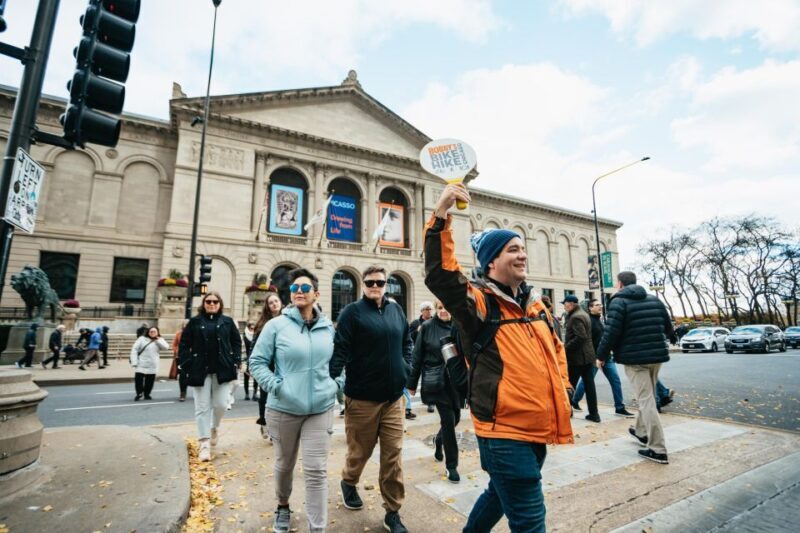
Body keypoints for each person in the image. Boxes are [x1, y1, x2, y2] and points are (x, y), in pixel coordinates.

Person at [424, 184, 573, 533]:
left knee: (498, 494)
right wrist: (442, 214)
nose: (522, 255)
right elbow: (441, 276)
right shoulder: (478, 303)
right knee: (530, 520)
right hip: (503, 429)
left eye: (522, 248)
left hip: (537, 427)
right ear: (491, 261)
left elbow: (557, 351)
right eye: (512, 250)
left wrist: (564, 389)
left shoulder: (536, 304)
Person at [249, 268, 339, 533]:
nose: (299, 292)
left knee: (316, 470)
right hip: (283, 408)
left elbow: (340, 362)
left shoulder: (328, 327)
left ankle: (317, 528)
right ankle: (283, 506)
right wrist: (277, 386)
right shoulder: (276, 326)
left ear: (316, 294)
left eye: (305, 288)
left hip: (320, 408)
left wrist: (337, 385)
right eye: (294, 288)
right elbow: (256, 362)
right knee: (284, 465)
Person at [330, 265, 413, 533]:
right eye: (370, 282)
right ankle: (349, 480)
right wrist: (330, 380)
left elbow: (407, 342)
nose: (375, 286)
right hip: (362, 399)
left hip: (393, 399)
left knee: (393, 456)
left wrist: (407, 367)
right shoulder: (351, 313)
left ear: (386, 284)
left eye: (379, 282)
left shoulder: (396, 310)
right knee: (360, 452)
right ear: (363, 285)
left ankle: (393, 511)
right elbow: (340, 349)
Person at [596, 271, 675, 465]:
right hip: (656, 357)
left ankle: (658, 449)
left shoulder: (618, 302)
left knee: (646, 400)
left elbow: (611, 332)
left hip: (634, 358)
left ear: (620, 284)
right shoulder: (654, 300)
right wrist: (669, 338)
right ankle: (641, 431)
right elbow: (668, 326)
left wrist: (601, 355)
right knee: (647, 396)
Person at [178, 291, 242, 462]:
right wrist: (186, 363)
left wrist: (236, 360)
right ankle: (204, 443)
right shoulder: (195, 322)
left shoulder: (227, 322)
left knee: (221, 404)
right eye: (208, 301)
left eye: (215, 301)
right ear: (204, 304)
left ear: (220, 304)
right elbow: (184, 344)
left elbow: (236, 342)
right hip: (200, 370)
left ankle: (214, 426)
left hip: (223, 369)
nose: (212, 304)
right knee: (202, 407)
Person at [407, 299, 462, 483]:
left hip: (456, 382)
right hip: (437, 381)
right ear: (436, 309)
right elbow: (417, 356)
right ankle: (452, 466)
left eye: (447, 307)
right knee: (448, 420)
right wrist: (412, 383)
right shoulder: (427, 327)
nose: (444, 310)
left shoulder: (459, 325)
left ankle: (439, 440)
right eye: (440, 307)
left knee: (456, 418)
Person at [572, 299, 635, 418]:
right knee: (587, 381)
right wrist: (594, 357)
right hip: (594, 358)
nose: (600, 306)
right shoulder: (588, 321)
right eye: (597, 305)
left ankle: (619, 408)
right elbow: (587, 341)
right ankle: (575, 401)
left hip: (606, 357)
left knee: (615, 380)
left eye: (600, 304)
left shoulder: (600, 320)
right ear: (590, 308)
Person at [562, 295, 600, 423]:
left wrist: (565, 348)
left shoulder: (575, 317)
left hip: (577, 358)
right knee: (590, 386)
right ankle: (594, 414)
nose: (564, 306)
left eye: (565, 304)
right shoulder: (583, 314)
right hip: (588, 356)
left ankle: (568, 412)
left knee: (570, 385)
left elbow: (581, 337)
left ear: (571, 304)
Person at [253, 291, 284, 437]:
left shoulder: (288, 320)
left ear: (281, 303)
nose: (274, 304)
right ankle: (264, 422)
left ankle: (276, 427)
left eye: (276, 301)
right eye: (271, 302)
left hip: (283, 364)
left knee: (281, 396)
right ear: (267, 306)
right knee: (265, 395)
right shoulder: (262, 324)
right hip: (267, 365)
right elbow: (255, 346)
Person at [409, 300, 436, 414]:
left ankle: (431, 402)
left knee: (430, 378)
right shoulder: (415, 323)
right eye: (426, 309)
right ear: (422, 311)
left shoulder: (435, 322)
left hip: (431, 354)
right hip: (418, 353)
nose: (429, 311)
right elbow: (409, 336)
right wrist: (417, 331)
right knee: (417, 375)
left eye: (430, 309)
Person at [130, 326, 169, 401]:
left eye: (154, 332)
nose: (152, 333)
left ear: (157, 332)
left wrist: (158, 340)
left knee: (150, 381)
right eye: (151, 331)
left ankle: (147, 394)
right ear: (148, 332)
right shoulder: (142, 339)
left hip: (152, 364)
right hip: (141, 363)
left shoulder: (160, 339)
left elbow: (166, 348)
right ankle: (139, 393)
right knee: (138, 379)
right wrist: (134, 362)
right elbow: (134, 349)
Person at [172, 320, 189, 401]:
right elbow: (174, 344)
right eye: (185, 324)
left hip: (194, 356)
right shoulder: (179, 333)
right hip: (182, 356)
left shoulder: (197, 332)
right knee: (183, 375)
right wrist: (176, 351)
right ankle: (183, 392)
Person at [242, 322, 256, 401]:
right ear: (248, 328)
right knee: (246, 377)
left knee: (256, 377)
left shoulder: (256, 336)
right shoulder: (244, 336)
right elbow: (242, 347)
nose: (252, 330)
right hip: (245, 359)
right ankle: (246, 394)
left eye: (254, 328)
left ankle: (254, 394)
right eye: (251, 328)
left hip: (254, 359)